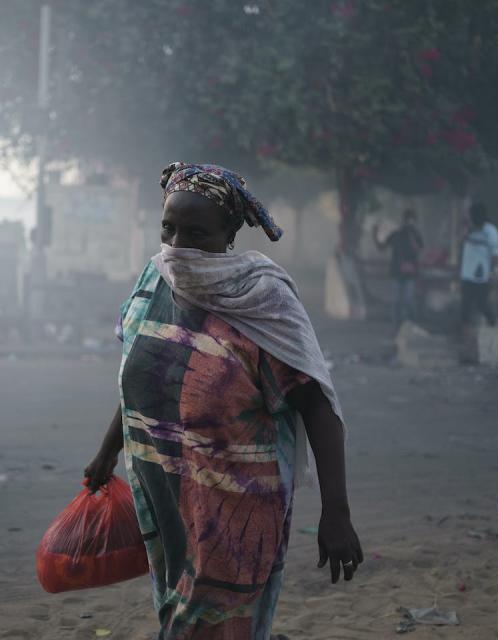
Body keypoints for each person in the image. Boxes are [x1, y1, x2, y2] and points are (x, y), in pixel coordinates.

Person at [84, 162, 363, 639]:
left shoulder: (262, 297)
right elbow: (141, 375)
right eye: (168, 229)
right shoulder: (154, 280)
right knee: (178, 605)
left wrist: (336, 512)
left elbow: (317, 406)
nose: (178, 246)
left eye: (196, 233)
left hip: (236, 502)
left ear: (228, 235)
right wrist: (107, 452)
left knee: (210, 618)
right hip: (163, 490)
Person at [372, 209, 424, 327]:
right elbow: (381, 247)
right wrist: (374, 235)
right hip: (398, 272)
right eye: (408, 220)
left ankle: (410, 322)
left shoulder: (415, 235)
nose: (409, 223)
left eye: (411, 221)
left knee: (407, 300)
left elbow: (420, 248)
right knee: (397, 300)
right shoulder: (396, 235)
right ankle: (397, 324)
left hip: (409, 273)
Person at [459, 202, 498, 326]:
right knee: (465, 307)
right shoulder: (468, 230)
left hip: (483, 275)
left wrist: (493, 273)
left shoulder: (491, 231)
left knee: (482, 304)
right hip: (467, 275)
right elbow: (461, 243)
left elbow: (495, 255)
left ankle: (493, 327)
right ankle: (466, 337)